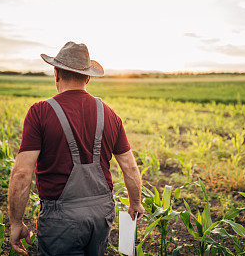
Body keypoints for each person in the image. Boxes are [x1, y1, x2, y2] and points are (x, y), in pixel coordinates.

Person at [8, 41, 145, 256]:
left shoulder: (40, 112)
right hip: (102, 214)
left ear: (56, 73)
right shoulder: (110, 114)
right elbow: (129, 166)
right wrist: (135, 202)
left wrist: (16, 222)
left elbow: (22, 172)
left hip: (60, 220)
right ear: (88, 77)